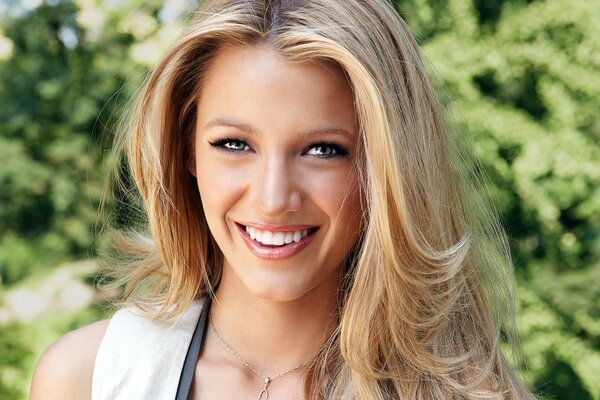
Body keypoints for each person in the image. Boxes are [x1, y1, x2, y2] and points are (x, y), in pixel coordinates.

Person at [30, 0, 536, 398]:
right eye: (234, 144)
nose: (273, 199)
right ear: (186, 152)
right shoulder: (89, 381)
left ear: (387, 170)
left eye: (323, 150)